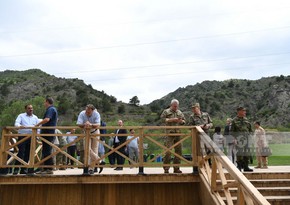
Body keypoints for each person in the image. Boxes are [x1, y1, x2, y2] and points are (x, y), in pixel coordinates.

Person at [76, 104, 104, 175]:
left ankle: (91, 169)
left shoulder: (96, 114)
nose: (87, 113)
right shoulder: (82, 113)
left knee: (94, 149)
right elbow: (78, 124)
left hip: (95, 131)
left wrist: (91, 125)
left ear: (92, 111)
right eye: (86, 111)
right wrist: (85, 124)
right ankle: (100, 162)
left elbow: (98, 124)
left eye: (88, 112)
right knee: (87, 149)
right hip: (86, 132)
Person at [160, 99, 185, 174]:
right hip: (169, 134)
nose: (176, 108)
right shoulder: (166, 111)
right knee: (168, 151)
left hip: (178, 133)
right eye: (174, 106)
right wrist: (171, 120)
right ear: (171, 105)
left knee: (178, 152)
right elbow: (162, 119)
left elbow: (184, 121)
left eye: (177, 106)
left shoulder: (180, 112)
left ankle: (176, 168)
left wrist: (181, 121)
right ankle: (166, 168)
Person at [13, 104, 40, 175]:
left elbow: (38, 128)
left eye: (32, 108)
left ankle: (24, 169)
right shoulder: (21, 115)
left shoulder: (35, 117)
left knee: (28, 153)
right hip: (22, 136)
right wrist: (19, 126)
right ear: (26, 109)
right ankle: (16, 169)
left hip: (31, 137)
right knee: (21, 153)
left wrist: (37, 137)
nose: (31, 109)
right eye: (29, 108)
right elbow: (16, 124)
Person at [36, 97, 58, 174]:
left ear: (47, 102)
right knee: (45, 150)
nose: (44, 104)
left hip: (48, 133)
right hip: (47, 132)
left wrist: (37, 125)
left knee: (47, 150)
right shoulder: (52, 109)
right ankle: (45, 168)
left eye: (44, 102)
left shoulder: (51, 109)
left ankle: (49, 168)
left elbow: (47, 119)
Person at [230, 106, 253, 172]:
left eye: (245, 111)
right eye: (243, 111)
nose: (244, 112)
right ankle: (239, 166)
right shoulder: (234, 120)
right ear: (239, 111)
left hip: (247, 138)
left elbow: (250, 129)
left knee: (247, 153)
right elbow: (232, 131)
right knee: (239, 153)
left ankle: (246, 166)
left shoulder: (246, 119)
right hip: (239, 139)